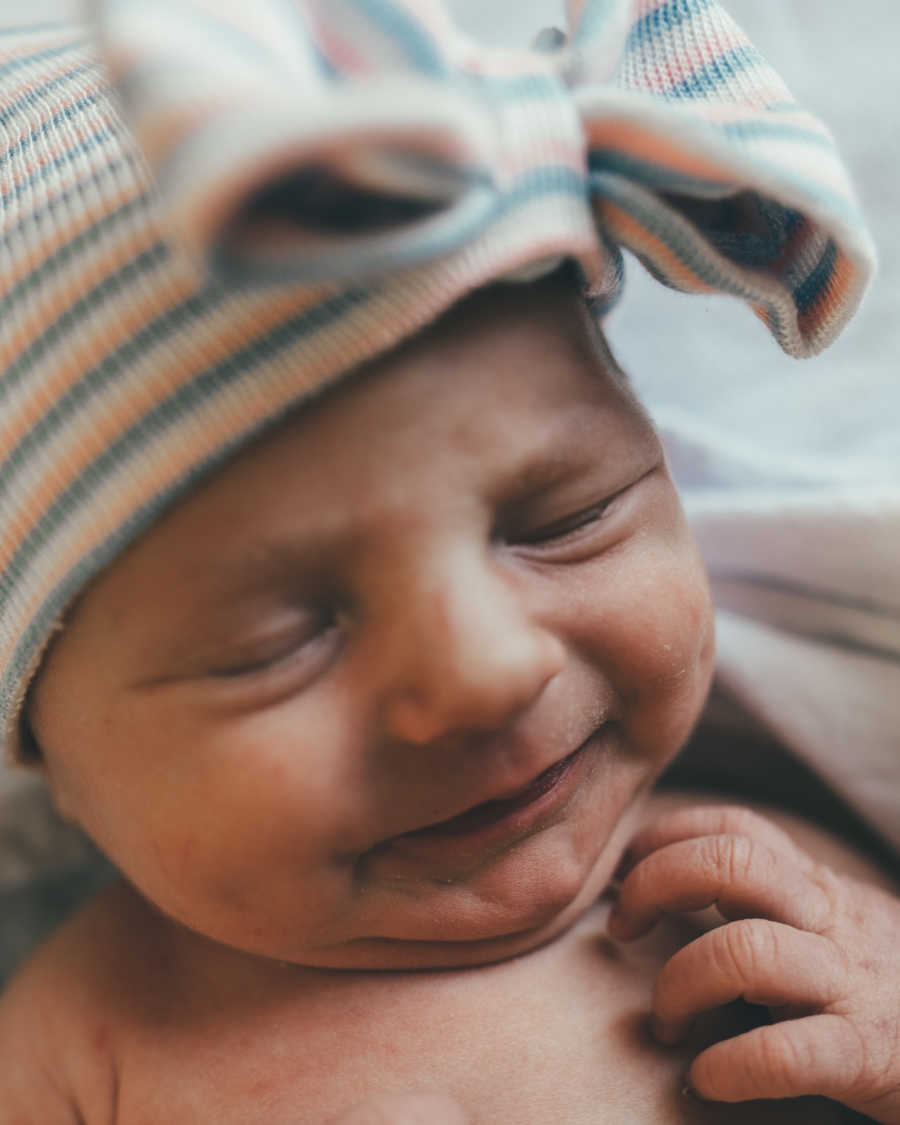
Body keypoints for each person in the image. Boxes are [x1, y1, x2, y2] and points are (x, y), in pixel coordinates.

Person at [0, 2, 895, 1123]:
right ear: (48, 753)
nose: (489, 672)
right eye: (278, 641)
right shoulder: (79, 1037)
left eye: (566, 516)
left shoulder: (803, 890)